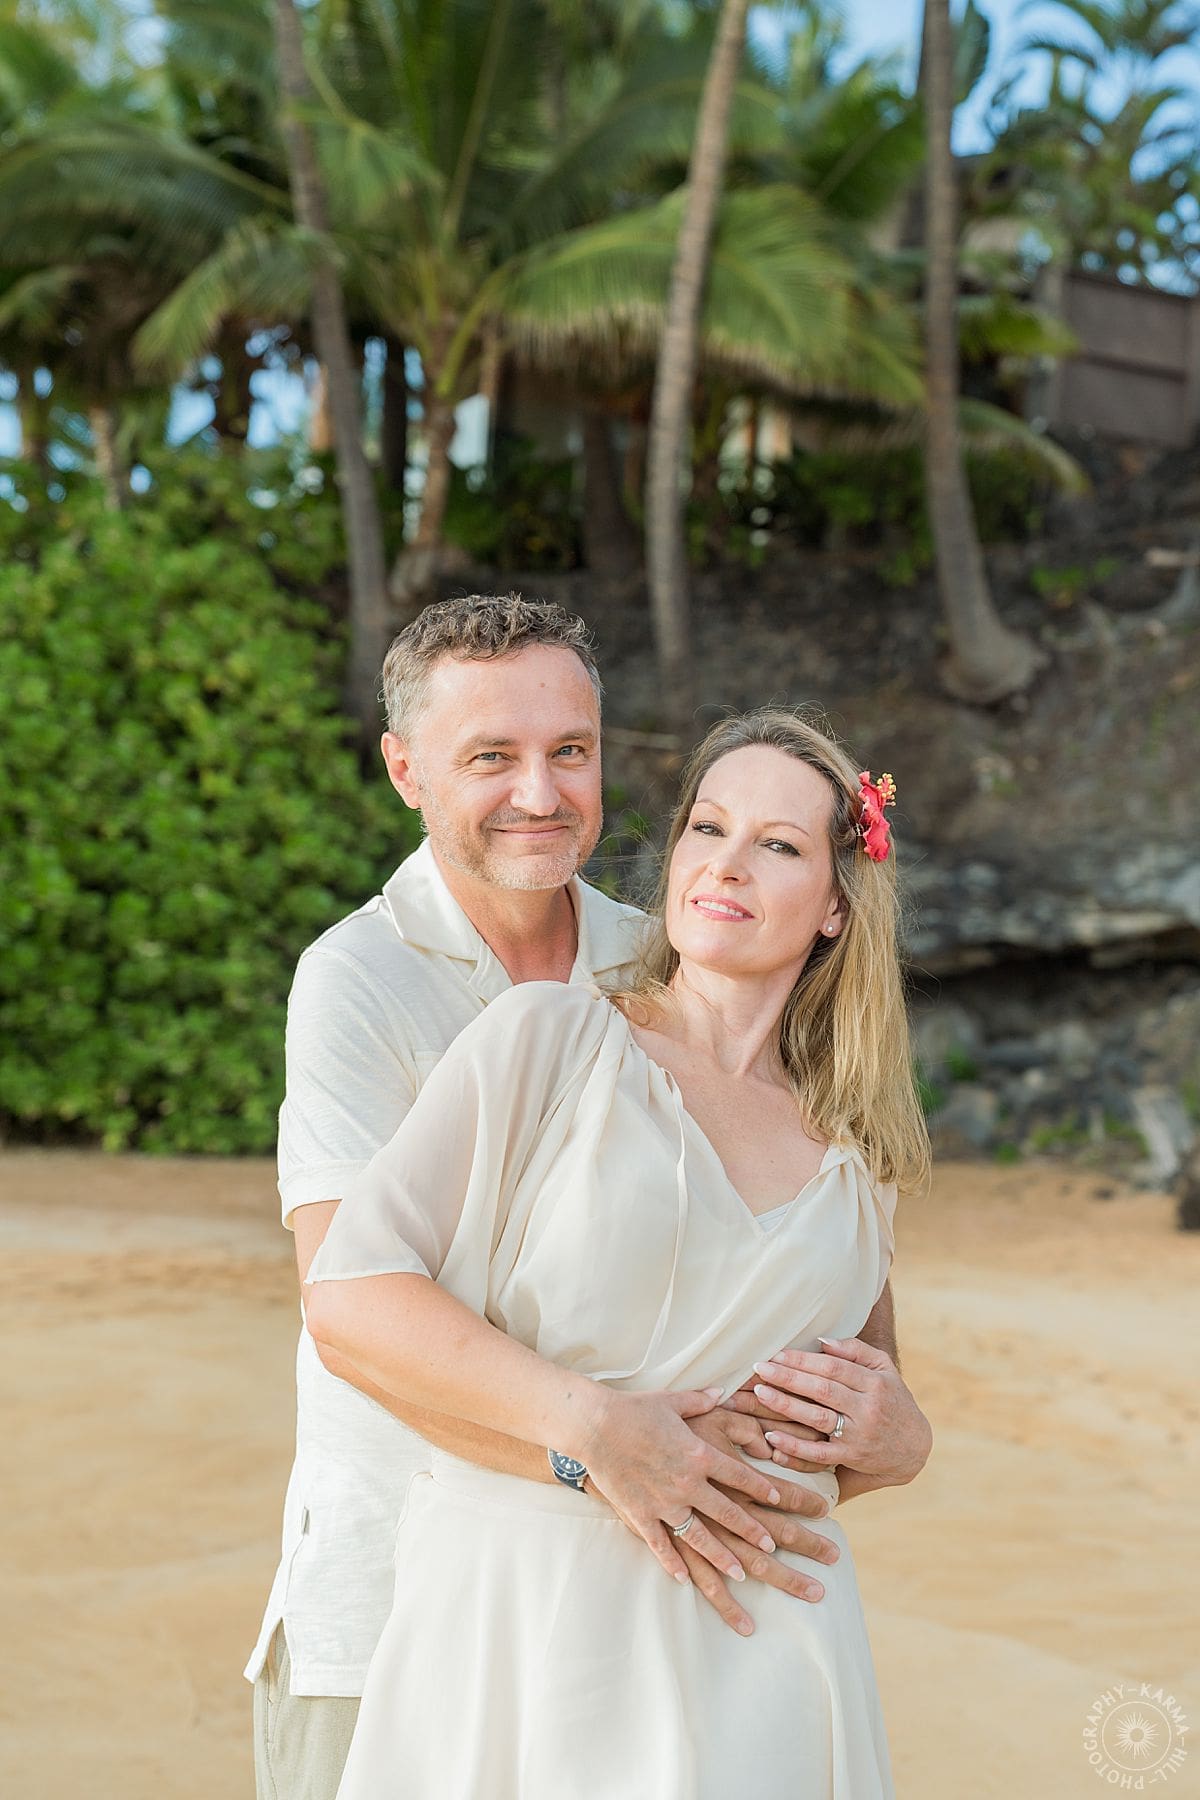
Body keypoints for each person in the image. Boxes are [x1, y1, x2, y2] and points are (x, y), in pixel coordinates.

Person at [246, 596, 931, 1800]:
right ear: (406, 771)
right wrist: (603, 1447)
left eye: (571, 750)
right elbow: (349, 1303)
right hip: (422, 1596)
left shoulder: (660, 962)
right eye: (491, 757)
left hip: (731, 1633)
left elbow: (842, 1376)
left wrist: (899, 1438)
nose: (542, 791)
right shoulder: (366, 980)